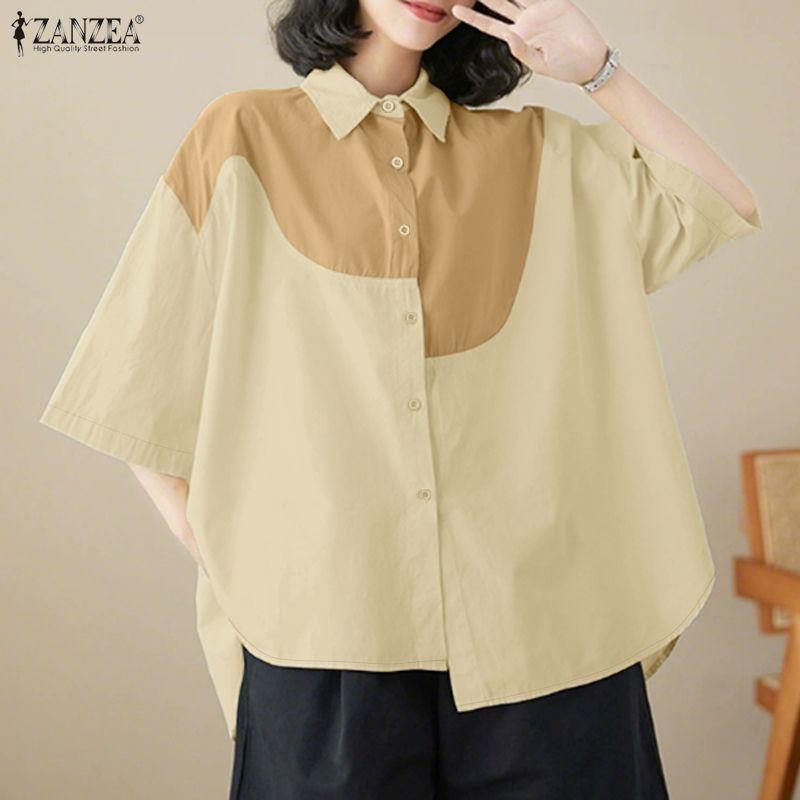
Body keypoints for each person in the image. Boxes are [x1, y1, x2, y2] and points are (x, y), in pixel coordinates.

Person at [39, 0, 763, 797]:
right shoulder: (241, 138)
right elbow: (134, 376)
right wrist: (246, 559)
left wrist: (597, 70)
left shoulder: (537, 151)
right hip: (323, 641)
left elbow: (720, 203)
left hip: (546, 636)